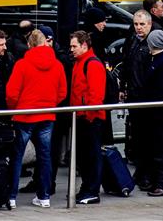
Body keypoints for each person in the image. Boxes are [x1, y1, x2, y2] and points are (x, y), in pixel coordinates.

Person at [6, 29, 67, 209]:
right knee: (45, 157)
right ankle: (44, 196)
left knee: (17, 157)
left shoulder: (22, 64)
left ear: (29, 44)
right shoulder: (57, 65)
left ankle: (11, 197)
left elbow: (11, 93)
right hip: (47, 115)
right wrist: (49, 103)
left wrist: (15, 109)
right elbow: (62, 92)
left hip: (24, 115)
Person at [69, 30, 107, 205]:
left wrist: (90, 116)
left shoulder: (91, 64)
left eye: (74, 46)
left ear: (84, 45)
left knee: (91, 156)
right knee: (85, 157)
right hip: (83, 116)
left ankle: (92, 190)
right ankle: (87, 188)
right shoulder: (81, 62)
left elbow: (96, 95)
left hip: (90, 118)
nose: (72, 49)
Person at [139, 30, 163, 197]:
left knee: (161, 148)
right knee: (156, 147)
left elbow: (161, 90)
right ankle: (157, 180)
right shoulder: (159, 58)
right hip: (156, 112)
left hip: (160, 112)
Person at [120, 10, 153, 187]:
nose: (138, 28)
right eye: (136, 24)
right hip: (134, 94)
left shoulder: (153, 42)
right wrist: (123, 86)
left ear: (149, 24)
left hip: (146, 96)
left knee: (147, 138)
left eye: (142, 25)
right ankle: (141, 172)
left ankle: (146, 174)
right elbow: (126, 62)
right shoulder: (132, 40)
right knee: (138, 137)